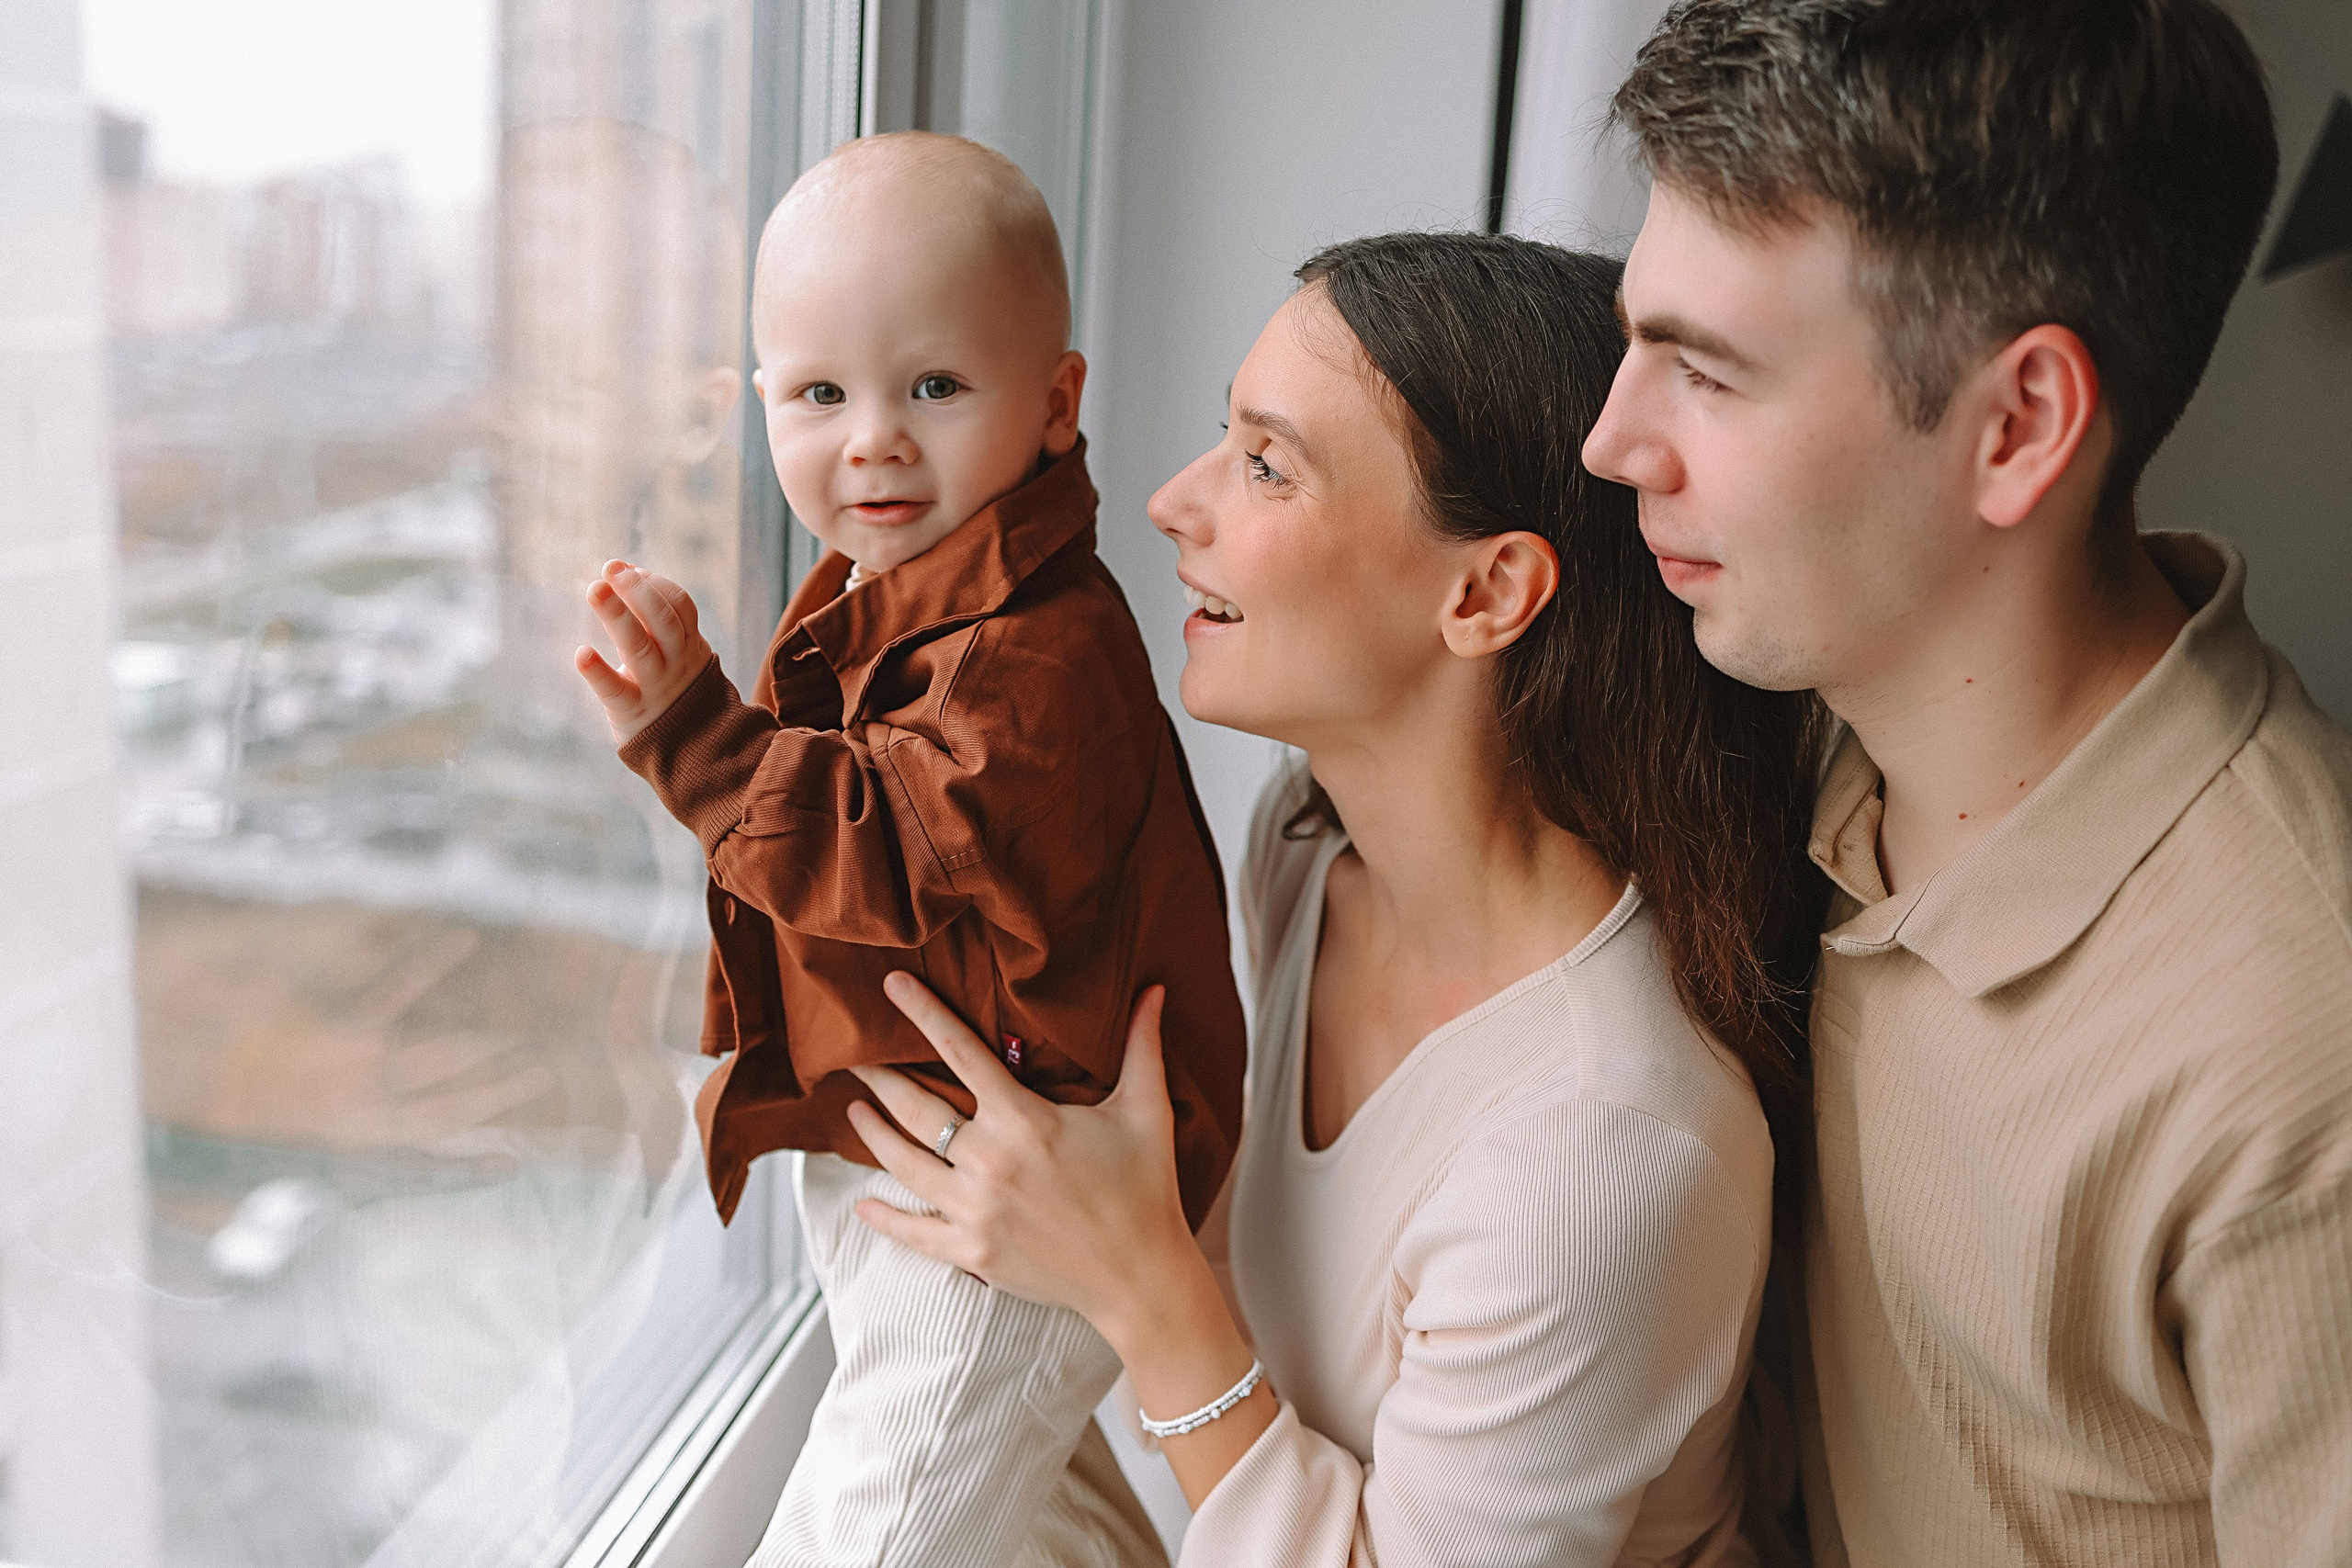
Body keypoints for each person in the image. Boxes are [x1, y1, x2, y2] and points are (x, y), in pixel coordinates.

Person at [842, 231, 1828, 1565]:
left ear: (1486, 592)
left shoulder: (1608, 1148)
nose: (1174, 503)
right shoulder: (1302, 856)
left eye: (1266, 464)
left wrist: (1146, 1288)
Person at [1582, 3, 2352, 1564]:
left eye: (1709, 377)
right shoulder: (1780, 747)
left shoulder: (2297, 1061)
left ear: (2018, 427)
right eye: (1631, 344)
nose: (1615, 445)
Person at [574, 131, 1248, 1567]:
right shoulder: (880, 591)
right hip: (936, 1147)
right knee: (1012, 1498)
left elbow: (884, 851)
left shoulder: (1037, 654)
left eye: (934, 387)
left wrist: (698, 734)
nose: (873, 436)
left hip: (1025, 1180)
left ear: (1056, 404)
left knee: (875, 1525)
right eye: (821, 393)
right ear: (761, 404)